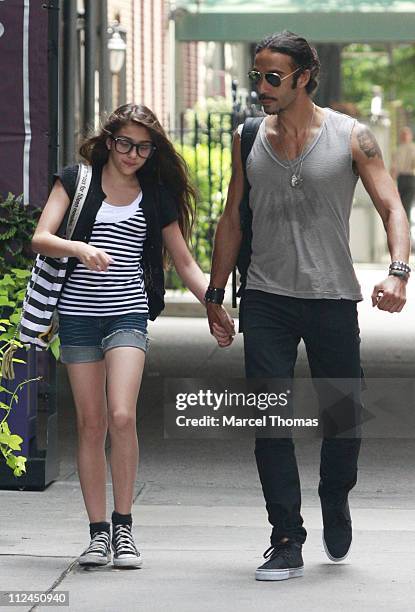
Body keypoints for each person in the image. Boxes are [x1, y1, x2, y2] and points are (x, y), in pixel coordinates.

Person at [206, 31, 410, 581]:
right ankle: (286, 537)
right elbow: (231, 217)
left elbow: (392, 207)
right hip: (267, 298)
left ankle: (335, 494)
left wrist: (398, 272)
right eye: (257, 77)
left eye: (273, 77)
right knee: (269, 420)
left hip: (332, 298)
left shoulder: (352, 137)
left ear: (303, 78)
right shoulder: (247, 136)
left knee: (343, 418)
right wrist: (215, 292)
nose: (262, 87)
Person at [31, 103, 232, 569]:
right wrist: (76, 246)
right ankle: (97, 534)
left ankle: (125, 528)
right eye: (125, 144)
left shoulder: (154, 194)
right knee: (90, 423)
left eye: (143, 147)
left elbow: (184, 262)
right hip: (78, 316)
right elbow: (42, 236)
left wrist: (213, 305)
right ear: (108, 141)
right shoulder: (74, 181)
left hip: (127, 315)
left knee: (121, 415)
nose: (133, 154)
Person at [391, 126, 415, 221]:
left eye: (406, 134)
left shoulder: (413, 148)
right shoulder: (397, 150)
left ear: (410, 136)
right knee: (400, 205)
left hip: (410, 178)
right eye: (403, 134)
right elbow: (394, 167)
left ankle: (406, 227)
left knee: (407, 205)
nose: (404, 136)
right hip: (401, 179)